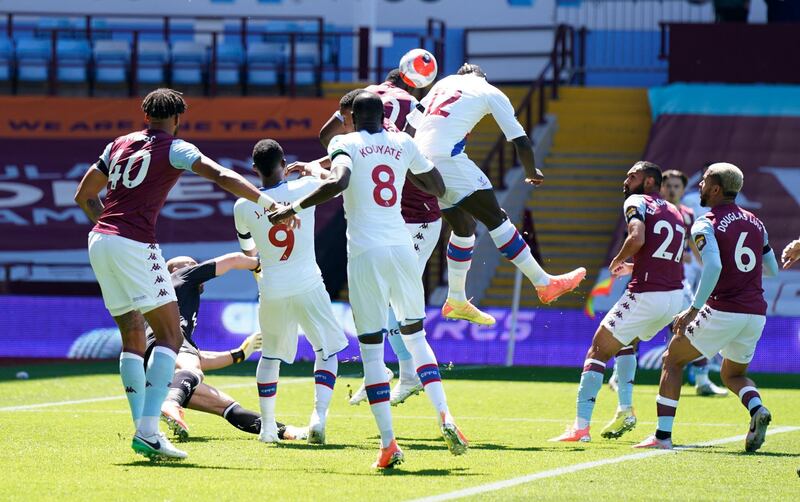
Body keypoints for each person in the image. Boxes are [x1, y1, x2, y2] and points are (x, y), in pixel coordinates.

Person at [74, 88, 282, 460]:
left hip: (99, 239)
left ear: (145, 114)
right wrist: (268, 202)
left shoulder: (118, 144)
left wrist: (108, 227)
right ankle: (150, 430)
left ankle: (144, 429)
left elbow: (84, 196)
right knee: (171, 335)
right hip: (133, 243)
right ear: (177, 118)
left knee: (133, 335)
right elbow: (219, 174)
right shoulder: (176, 147)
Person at [270, 92, 468, 469]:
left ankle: (389, 444)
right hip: (402, 248)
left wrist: (292, 207)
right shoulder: (403, 142)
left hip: (365, 253)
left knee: (373, 350)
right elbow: (438, 187)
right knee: (416, 337)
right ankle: (445, 415)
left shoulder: (346, 142)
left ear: (354, 117)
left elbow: (341, 181)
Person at [317, 79, 454, 408]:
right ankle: (388, 376)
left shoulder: (374, 137)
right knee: (380, 306)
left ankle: (407, 374)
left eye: (345, 118)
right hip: (394, 228)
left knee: (396, 309)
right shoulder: (395, 137)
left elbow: (329, 144)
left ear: (353, 115)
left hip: (416, 221)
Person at [412, 63, 586, 313]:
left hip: (420, 162)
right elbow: (521, 141)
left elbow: (412, 122)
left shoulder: (443, 83)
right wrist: (531, 172)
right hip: (446, 158)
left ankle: (456, 298)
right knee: (497, 218)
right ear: (483, 75)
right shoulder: (489, 91)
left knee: (464, 226)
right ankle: (544, 282)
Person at [634, 163, 780, 451]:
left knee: (672, 360)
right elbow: (772, 269)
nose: (699, 186)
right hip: (755, 313)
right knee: (732, 374)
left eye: (703, 182)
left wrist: (693, 309)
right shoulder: (756, 222)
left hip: (724, 308)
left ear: (716, 189)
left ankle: (662, 437)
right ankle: (757, 409)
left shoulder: (706, 222)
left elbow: (713, 265)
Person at [550, 162, 685, 443]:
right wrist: (634, 266)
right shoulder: (675, 210)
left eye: (632, 176)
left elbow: (637, 237)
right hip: (674, 297)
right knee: (625, 343)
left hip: (647, 293)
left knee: (597, 350)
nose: (626, 181)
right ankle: (625, 409)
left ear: (648, 182)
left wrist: (619, 259)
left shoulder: (637, 201)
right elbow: (663, 253)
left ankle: (580, 427)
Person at [234, 139, 349, 445]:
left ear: (255, 169)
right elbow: (336, 182)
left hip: (272, 286)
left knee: (270, 355)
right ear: (284, 163)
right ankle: (318, 417)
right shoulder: (303, 188)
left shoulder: (243, 206)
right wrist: (313, 168)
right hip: (308, 282)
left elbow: (248, 251)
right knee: (326, 350)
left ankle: (268, 428)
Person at [143, 254, 305, 442]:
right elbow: (234, 260)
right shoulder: (181, 277)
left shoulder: (174, 301)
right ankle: (170, 403)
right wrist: (259, 264)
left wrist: (238, 354)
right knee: (190, 369)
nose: (196, 267)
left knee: (228, 407)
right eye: (190, 264)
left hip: (154, 364)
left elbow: (195, 359)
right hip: (168, 346)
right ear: (174, 271)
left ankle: (287, 432)